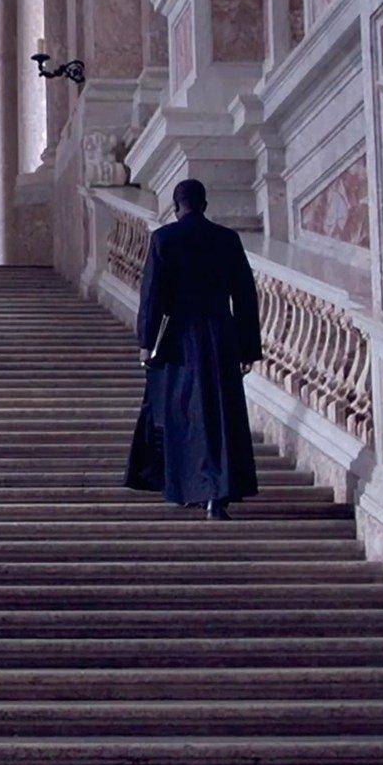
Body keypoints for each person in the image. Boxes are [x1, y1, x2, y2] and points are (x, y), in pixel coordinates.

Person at [124, 179, 263, 521]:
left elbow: (153, 295)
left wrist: (146, 342)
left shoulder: (164, 239)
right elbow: (245, 296)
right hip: (221, 335)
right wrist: (248, 347)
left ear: (176, 206)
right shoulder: (227, 239)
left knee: (185, 414)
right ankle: (219, 496)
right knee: (221, 413)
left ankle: (194, 489)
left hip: (180, 337)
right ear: (204, 204)